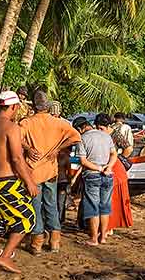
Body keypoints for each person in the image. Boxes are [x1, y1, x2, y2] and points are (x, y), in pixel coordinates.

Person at [0, 90, 35, 273]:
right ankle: (4, 256)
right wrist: (29, 182)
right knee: (27, 218)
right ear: (14, 107)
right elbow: (17, 159)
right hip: (8, 180)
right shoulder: (11, 128)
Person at [21, 90, 78, 255]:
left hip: (33, 170)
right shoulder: (58, 123)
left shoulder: (26, 123)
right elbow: (75, 137)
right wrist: (58, 148)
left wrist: (28, 148)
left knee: (35, 206)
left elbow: (15, 138)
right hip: (51, 170)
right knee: (51, 205)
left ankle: (37, 240)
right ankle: (55, 241)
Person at [77, 113, 118, 244]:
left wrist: (98, 168)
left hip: (92, 175)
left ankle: (94, 238)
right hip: (107, 175)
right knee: (105, 206)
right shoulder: (107, 136)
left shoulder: (83, 138)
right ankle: (103, 236)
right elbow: (114, 154)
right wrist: (108, 167)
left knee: (93, 206)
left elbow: (83, 161)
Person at [108, 112, 135, 231]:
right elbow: (129, 148)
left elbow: (128, 147)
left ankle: (109, 227)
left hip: (113, 165)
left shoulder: (114, 131)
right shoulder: (121, 129)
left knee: (111, 197)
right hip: (115, 164)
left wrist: (118, 160)